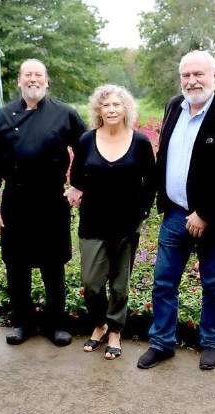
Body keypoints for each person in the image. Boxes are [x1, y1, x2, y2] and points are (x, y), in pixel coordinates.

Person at [136, 50, 215, 370]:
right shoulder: (174, 106)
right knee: (163, 282)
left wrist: (204, 213)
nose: (192, 80)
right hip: (174, 213)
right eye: (186, 75)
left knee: (213, 283)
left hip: (214, 219)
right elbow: (165, 157)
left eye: (198, 74)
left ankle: (212, 343)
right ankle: (161, 342)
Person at [0, 59, 85, 346]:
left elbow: (87, 147)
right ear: (19, 81)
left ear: (47, 81)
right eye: (27, 75)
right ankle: (23, 323)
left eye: (38, 75)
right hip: (16, 200)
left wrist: (77, 184)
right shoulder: (2, 117)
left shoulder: (65, 113)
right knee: (17, 265)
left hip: (52, 198)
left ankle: (56, 324)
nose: (33, 79)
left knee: (54, 265)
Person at [65, 84, 156, 359]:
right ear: (98, 110)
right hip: (93, 222)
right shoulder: (86, 140)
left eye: (117, 104)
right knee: (92, 283)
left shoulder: (139, 142)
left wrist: (141, 212)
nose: (112, 109)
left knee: (119, 284)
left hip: (127, 224)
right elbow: (77, 176)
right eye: (106, 105)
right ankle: (99, 322)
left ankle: (114, 329)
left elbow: (150, 182)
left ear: (126, 109)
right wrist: (74, 189)